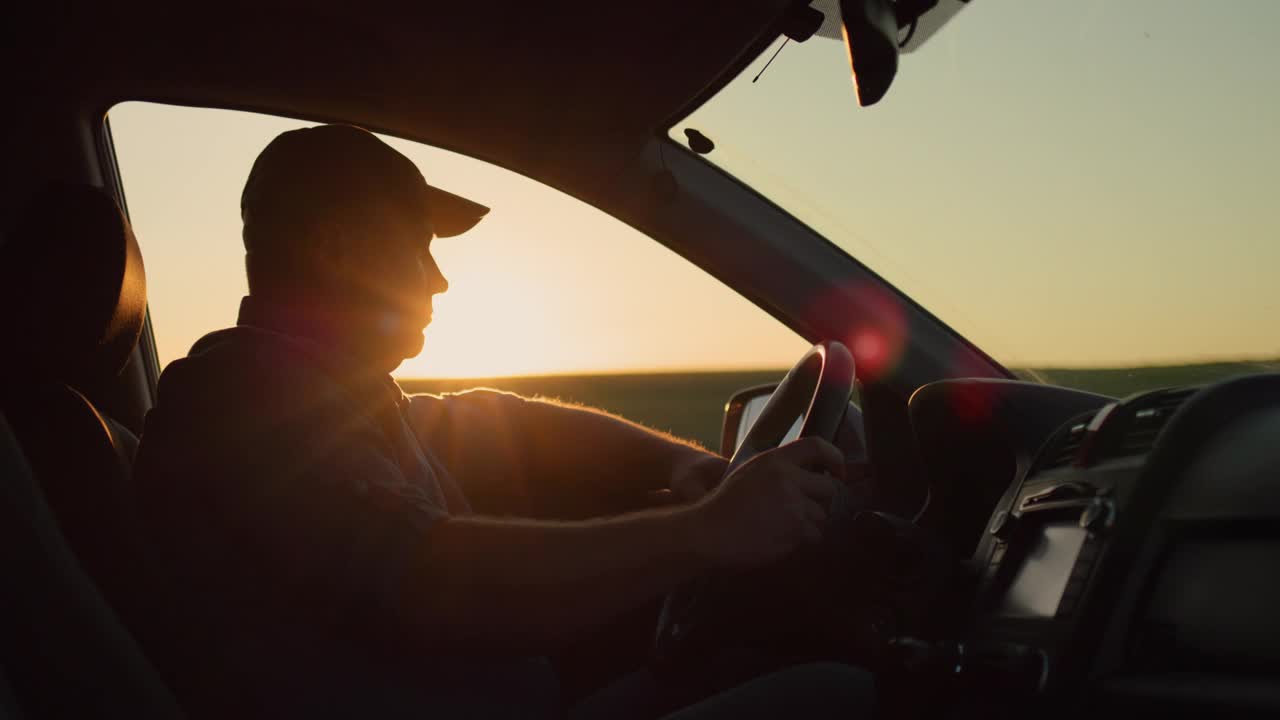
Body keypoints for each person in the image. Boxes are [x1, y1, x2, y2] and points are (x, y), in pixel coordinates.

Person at [131, 124, 871, 718]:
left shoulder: (327, 393)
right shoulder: (247, 402)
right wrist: (702, 532)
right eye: (416, 249)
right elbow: (435, 581)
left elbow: (501, 424)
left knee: (761, 665)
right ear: (338, 248)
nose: (439, 278)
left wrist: (679, 469)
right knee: (841, 696)